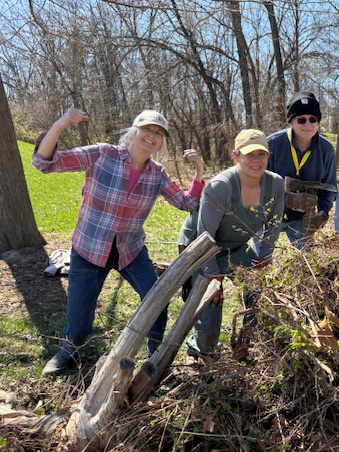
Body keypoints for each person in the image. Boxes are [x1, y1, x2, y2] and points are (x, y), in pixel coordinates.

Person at [33, 108, 205, 376]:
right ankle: (69, 350)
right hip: (90, 249)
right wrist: (62, 122)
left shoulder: (157, 174)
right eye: (147, 129)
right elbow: (45, 163)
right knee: (79, 323)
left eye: (158, 133)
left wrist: (199, 171)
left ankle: (155, 356)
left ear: (161, 142)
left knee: (156, 300)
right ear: (134, 131)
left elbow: (187, 202)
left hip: (130, 250)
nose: (151, 136)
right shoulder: (103, 154)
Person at [183, 129, 284, 356]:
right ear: (236, 156)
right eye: (250, 154)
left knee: (258, 289)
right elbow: (204, 235)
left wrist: (263, 260)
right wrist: (212, 275)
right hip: (199, 247)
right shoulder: (221, 186)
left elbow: (273, 227)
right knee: (212, 301)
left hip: (235, 247)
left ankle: (246, 345)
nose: (256, 160)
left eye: (262, 154)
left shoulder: (275, 184)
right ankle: (201, 351)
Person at [267, 92, 337, 249]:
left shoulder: (326, 150)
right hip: (269, 216)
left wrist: (323, 213)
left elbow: (330, 187)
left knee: (310, 263)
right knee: (259, 263)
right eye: (301, 120)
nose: (308, 125)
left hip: (303, 219)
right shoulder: (272, 145)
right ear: (291, 122)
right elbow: (257, 185)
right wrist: (287, 200)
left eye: (313, 119)